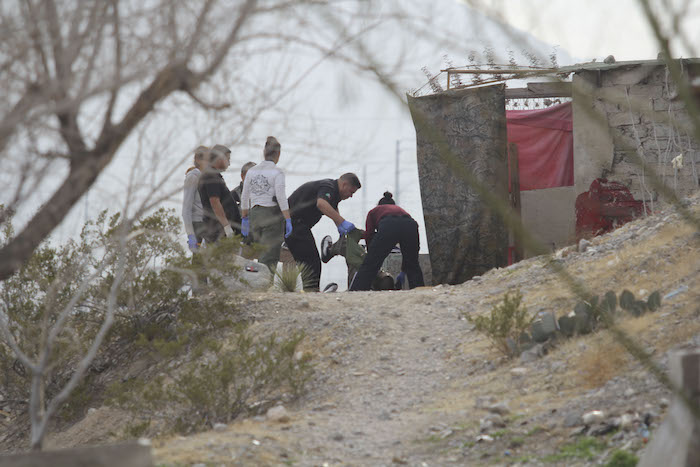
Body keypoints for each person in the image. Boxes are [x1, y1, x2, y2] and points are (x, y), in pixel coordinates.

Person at [286, 173, 361, 292]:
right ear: (344, 184)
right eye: (351, 192)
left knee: (311, 261)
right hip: (293, 224)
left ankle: (312, 290)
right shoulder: (328, 186)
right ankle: (311, 291)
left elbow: (333, 208)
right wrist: (343, 222)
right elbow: (321, 204)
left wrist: (340, 227)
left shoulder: (334, 193)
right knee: (311, 261)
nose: (351, 196)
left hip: (299, 226)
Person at [349, 191, 424, 291]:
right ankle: (419, 290)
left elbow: (369, 234)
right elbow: (412, 249)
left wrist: (371, 254)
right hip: (411, 225)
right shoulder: (400, 210)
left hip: (389, 224)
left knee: (370, 265)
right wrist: (404, 269)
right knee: (413, 264)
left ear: (379, 205)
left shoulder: (374, 211)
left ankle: (357, 290)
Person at [240, 137, 292, 273]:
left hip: (255, 215)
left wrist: (244, 218)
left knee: (256, 252)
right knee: (269, 257)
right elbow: (281, 197)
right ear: (278, 154)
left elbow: (245, 196)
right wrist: (288, 219)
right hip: (271, 216)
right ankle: (264, 286)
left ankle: (252, 283)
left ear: (264, 152)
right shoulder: (277, 172)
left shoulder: (251, 171)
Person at [197, 144, 240, 243]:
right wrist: (226, 226)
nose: (229, 163)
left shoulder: (214, 176)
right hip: (217, 230)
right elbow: (214, 202)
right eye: (228, 159)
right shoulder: (211, 176)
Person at [182, 145, 208, 252]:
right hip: (197, 224)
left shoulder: (206, 177)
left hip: (207, 223)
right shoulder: (192, 177)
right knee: (199, 263)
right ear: (198, 159)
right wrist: (190, 234)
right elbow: (186, 209)